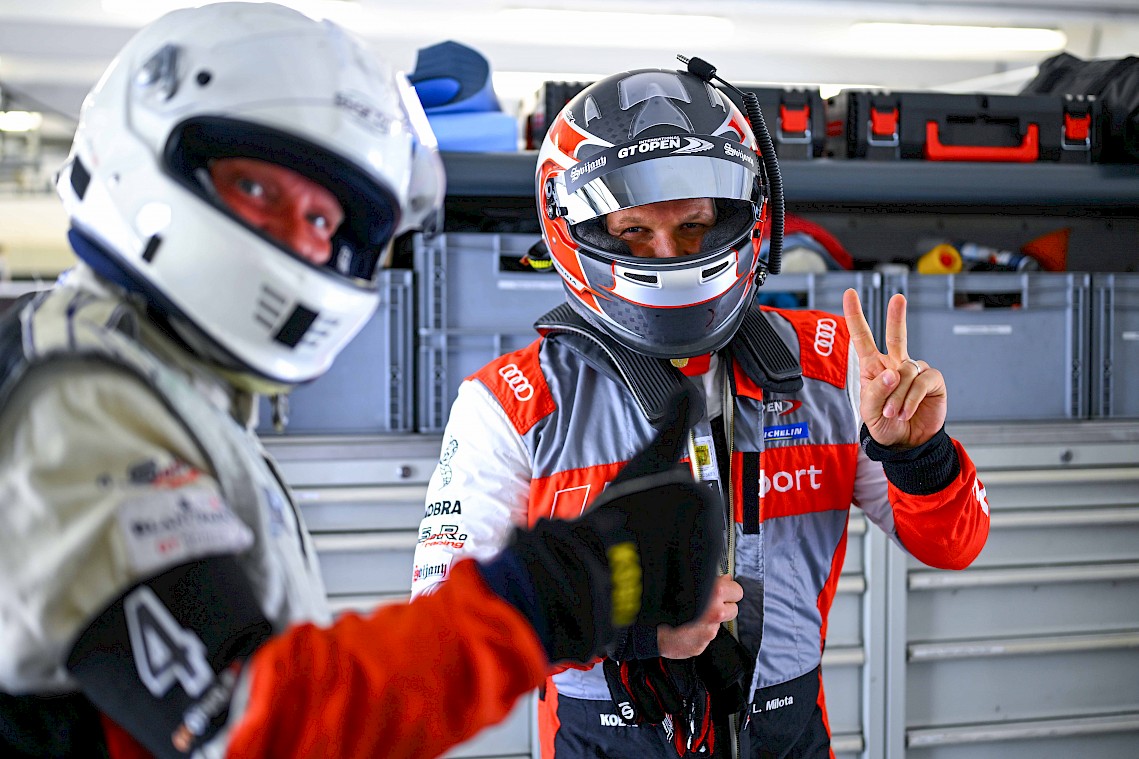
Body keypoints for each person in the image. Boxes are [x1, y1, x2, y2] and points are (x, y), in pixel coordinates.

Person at [0, 6, 725, 758]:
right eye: (257, 189)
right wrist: (563, 589)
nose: (301, 241)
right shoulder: (77, 400)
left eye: (324, 219)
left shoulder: (150, 378)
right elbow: (262, 727)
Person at [411, 65, 992, 758]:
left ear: (740, 218)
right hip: (605, 738)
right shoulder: (508, 401)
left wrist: (917, 452)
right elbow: (443, 634)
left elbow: (953, 545)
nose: (668, 253)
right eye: (633, 230)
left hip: (786, 735)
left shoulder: (834, 367)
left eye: (692, 225)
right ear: (579, 231)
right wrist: (628, 629)